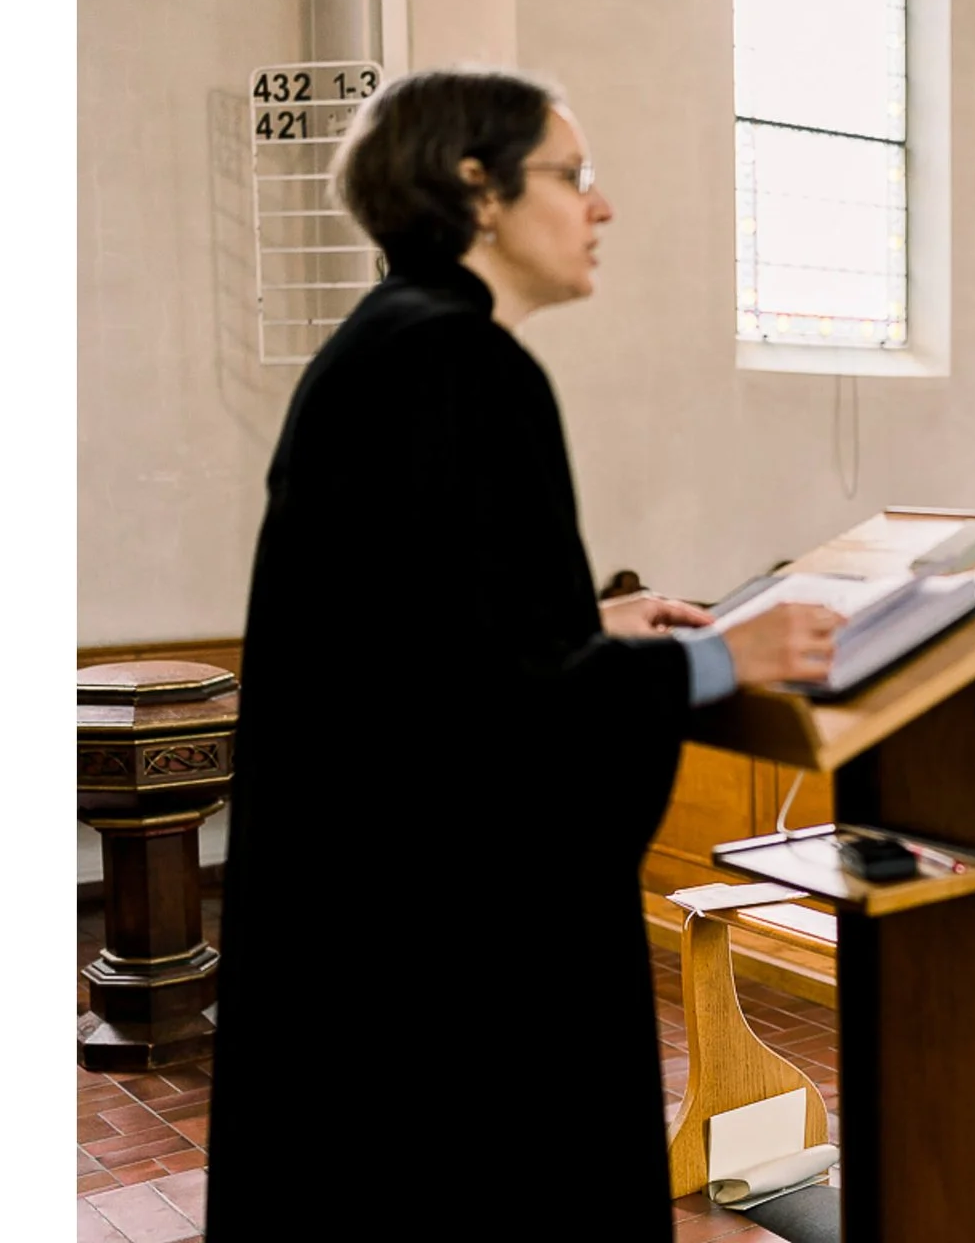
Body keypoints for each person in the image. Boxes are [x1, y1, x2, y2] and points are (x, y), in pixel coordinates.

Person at [206, 70, 841, 1239]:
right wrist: (721, 658)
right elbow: (499, 720)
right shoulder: (466, 364)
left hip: (360, 935)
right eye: (572, 176)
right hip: (456, 973)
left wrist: (588, 632)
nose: (600, 207)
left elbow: (415, 644)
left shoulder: (380, 347)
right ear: (477, 190)